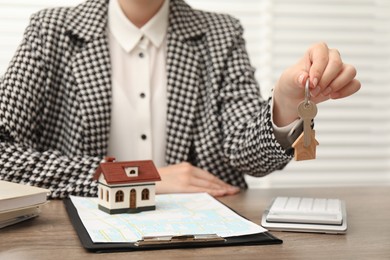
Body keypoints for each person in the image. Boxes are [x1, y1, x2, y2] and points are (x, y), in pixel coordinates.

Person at [0, 0, 360, 199]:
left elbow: (245, 151)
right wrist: (139, 177)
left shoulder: (221, 33)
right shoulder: (51, 30)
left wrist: (283, 99)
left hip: (201, 240)